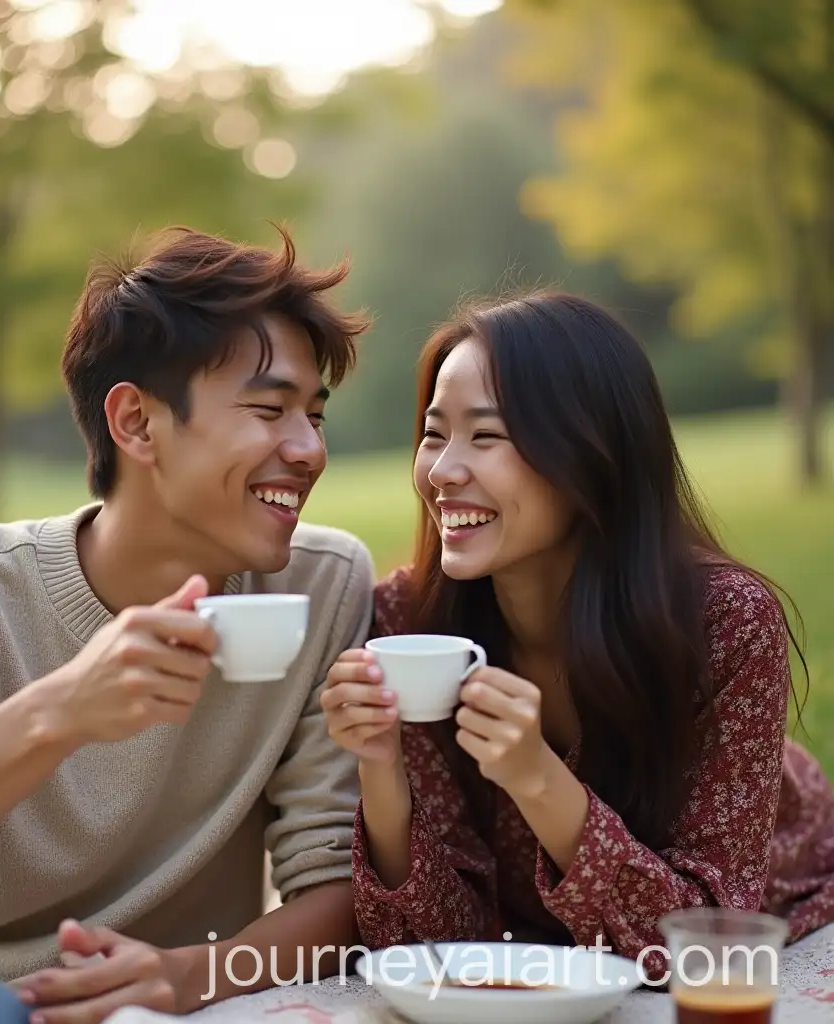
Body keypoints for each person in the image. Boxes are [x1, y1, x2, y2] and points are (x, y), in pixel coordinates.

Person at [0, 225, 375, 1023]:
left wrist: (189, 977)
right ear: (137, 424)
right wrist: (59, 713)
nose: (309, 449)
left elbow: (336, 887)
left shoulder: (323, 586)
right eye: (268, 409)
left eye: (314, 416)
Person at [320, 291, 834, 979]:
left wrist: (536, 776)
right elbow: (431, 946)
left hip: (786, 891)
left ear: (590, 455)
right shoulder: (411, 625)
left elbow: (710, 949)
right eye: (435, 434)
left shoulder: (726, 624)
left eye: (487, 435)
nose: (441, 472)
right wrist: (380, 772)